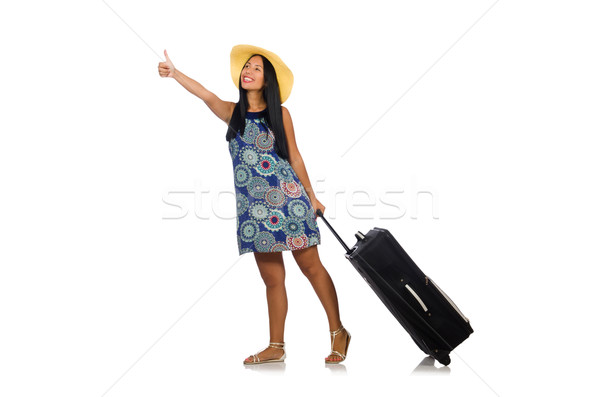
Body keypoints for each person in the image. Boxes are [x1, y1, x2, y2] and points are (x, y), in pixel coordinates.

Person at [157, 45, 350, 365]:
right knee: (272, 279)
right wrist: (175, 73)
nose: (248, 70)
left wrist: (312, 197)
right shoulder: (232, 113)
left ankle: (338, 332)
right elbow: (205, 94)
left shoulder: (281, 114)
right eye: (247, 66)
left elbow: (295, 156)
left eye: (256, 68)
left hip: (290, 204)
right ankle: (276, 346)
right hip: (256, 213)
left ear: (267, 80)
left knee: (311, 269)